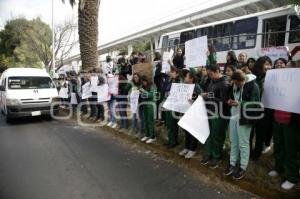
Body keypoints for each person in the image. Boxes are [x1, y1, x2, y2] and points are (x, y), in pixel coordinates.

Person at [268, 63, 300, 190]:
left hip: (291, 124)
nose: (284, 69)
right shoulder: (279, 83)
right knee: (278, 146)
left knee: (291, 150)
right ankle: (279, 168)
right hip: (277, 120)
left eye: (288, 67)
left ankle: (292, 177)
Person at [223, 70, 260, 180]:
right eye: (235, 83)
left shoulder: (254, 86)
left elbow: (256, 104)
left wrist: (240, 103)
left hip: (245, 118)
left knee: (243, 143)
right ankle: (232, 162)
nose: (237, 85)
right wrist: (229, 101)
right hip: (234, 116)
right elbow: (229, 96)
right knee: (233, 140)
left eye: (239, 83)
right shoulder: (234, 85)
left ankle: (243, 166)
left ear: (243, 80)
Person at [201, 64, 229, 168]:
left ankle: (217, 157)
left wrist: (208, 96)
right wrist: (205, 96)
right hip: (210, 111)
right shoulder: (212, 81)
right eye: (209, 75)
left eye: (211, 74)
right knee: (209, 134)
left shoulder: (224, 83)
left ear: (218, 71)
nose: (210, 76)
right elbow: (210, 94)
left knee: (217, 136)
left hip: (219, 113)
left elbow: (224, 101)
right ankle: (209, 154)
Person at [251, 56, 273, 160]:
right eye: (266, 64)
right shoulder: (253, 78)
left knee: (260, 134)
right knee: (250, 132)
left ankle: (256, 154)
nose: (268, 67)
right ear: (260, 65)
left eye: (270, 64)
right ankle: (247, 151)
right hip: (252, 109)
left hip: (265, 111)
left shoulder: (273, 78)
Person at [178, 69, 202, 159]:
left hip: (194, 113)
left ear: (191, 78)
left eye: (187, 76)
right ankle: (187, 147)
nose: (185, 78)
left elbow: (201, 100)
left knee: (193, 131)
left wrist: (194, 101)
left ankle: (193, 149)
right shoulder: (185, 86)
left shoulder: (197, 87)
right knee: (186, 130)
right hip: (186, 112)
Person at [164, 66, 181, 148]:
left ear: (177, 73)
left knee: (173, 124)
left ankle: (174, 141)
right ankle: (170, 140)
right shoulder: (169, 80)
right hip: (168, 104)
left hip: (174, 106)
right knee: (169, 124)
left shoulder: (179, 81)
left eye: (172, 72)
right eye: (170, 71)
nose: (170, 73)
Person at [139, 75, 157, 144]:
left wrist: (143, 91)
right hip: (145, 104)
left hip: (151, 105)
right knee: (146, 120)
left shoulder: (152, 86)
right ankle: (147, 135)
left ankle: (152, 137)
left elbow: (151, 95)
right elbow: (142, 95)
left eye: (144, 82)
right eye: (142, 82)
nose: (143, 83)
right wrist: (141, 92)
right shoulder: (143, 86)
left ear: (146, 81)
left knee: (150, 121)